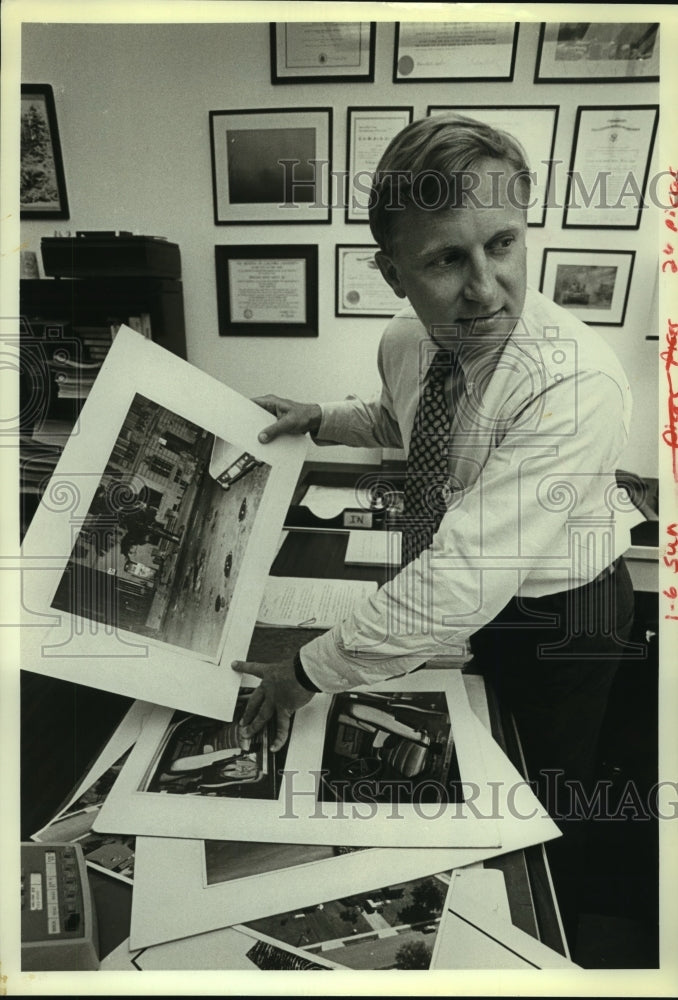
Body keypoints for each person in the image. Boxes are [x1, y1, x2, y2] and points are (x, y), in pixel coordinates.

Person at [231, 115, 638, 940]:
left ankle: (540, 939)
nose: (486, 288)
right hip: (473, 582)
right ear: (393, 274)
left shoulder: (576, 382)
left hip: (562, 613)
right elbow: (405, 421)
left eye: (503, 245)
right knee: (460, 767)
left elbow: (461, 580)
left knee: (539, 796)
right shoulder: (408, 337)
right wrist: (322, 416)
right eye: (447, 259)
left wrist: (303, 672)